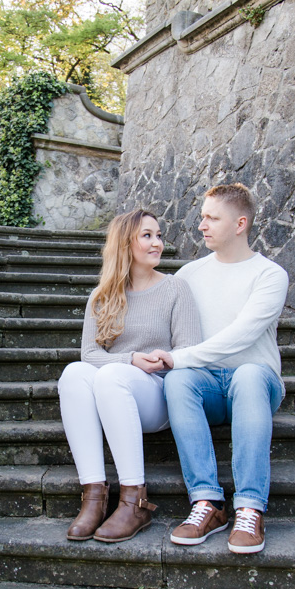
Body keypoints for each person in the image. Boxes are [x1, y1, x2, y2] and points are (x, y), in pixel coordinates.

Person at [147, 183, 288, 554]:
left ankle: (250, 507)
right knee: (177, 380)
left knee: (249, 373)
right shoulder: (189, 275)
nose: (201, 225)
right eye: (202, 217)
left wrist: (181, 357)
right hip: (207, 387)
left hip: (256, 384)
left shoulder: (269, 275)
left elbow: (242, 337)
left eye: (212, 217)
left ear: (240, 223)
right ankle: (207, 503)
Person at [58, 209, 201, 543]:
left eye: (159, 235)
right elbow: (89, 355)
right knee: (73, 374)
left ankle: (135, 500)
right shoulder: (102, 295)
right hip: (118, 386)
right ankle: (94, 495)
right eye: (147, 236)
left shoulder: (176, 288)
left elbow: (190, 349)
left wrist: (160, 360)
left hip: (159, 394)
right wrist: (131, 359)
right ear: (125, 243)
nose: (158, 243)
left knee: (110, 376)